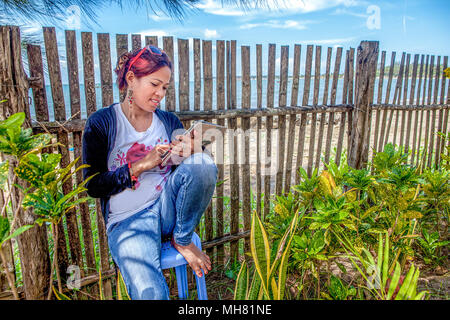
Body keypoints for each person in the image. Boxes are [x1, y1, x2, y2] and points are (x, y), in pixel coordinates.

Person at [82, 45, 218, 300]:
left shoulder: (167, 121)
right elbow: (93, 185)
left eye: (165, 87)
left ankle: (182, 238)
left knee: (203, 164)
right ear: (132, 79)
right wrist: (142, 164)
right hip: (128, 221)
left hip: (167, 209)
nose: (160, 94)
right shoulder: (102, 122)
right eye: (155, 84)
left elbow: (192, 177)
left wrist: (194, 152)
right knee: (150, 294)